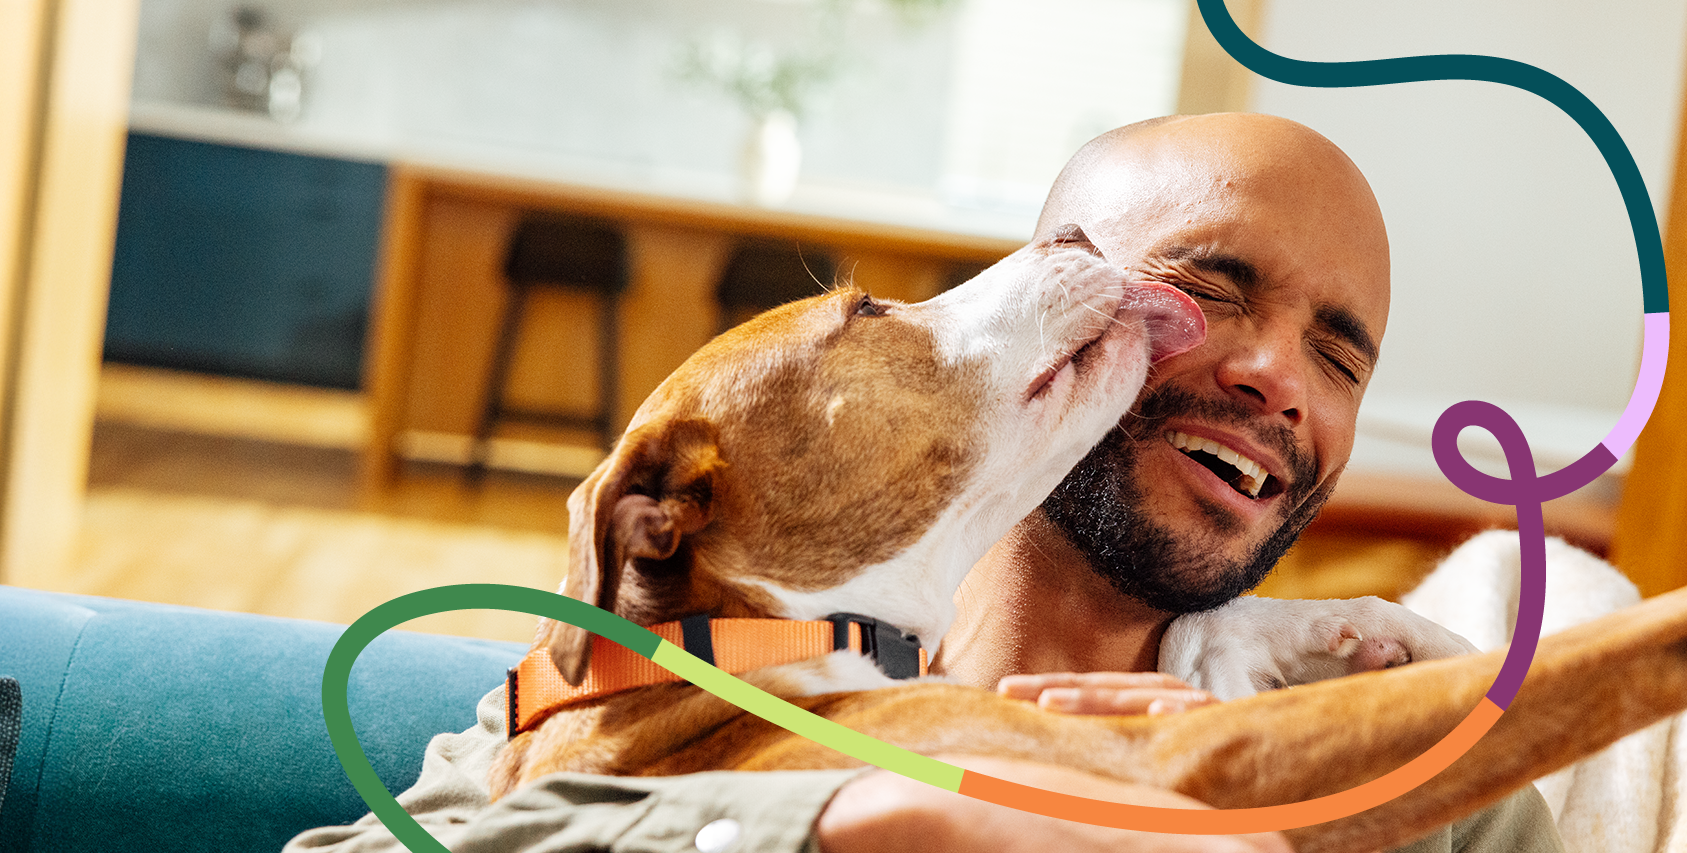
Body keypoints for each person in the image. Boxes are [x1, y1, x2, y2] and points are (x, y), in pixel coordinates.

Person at [285, 113, 1561, 853]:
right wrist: (866, 814)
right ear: (1051, 299)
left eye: (1340, 357)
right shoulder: (666, 680)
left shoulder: (1407, 728)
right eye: (1210, 287)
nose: (1281, 376)